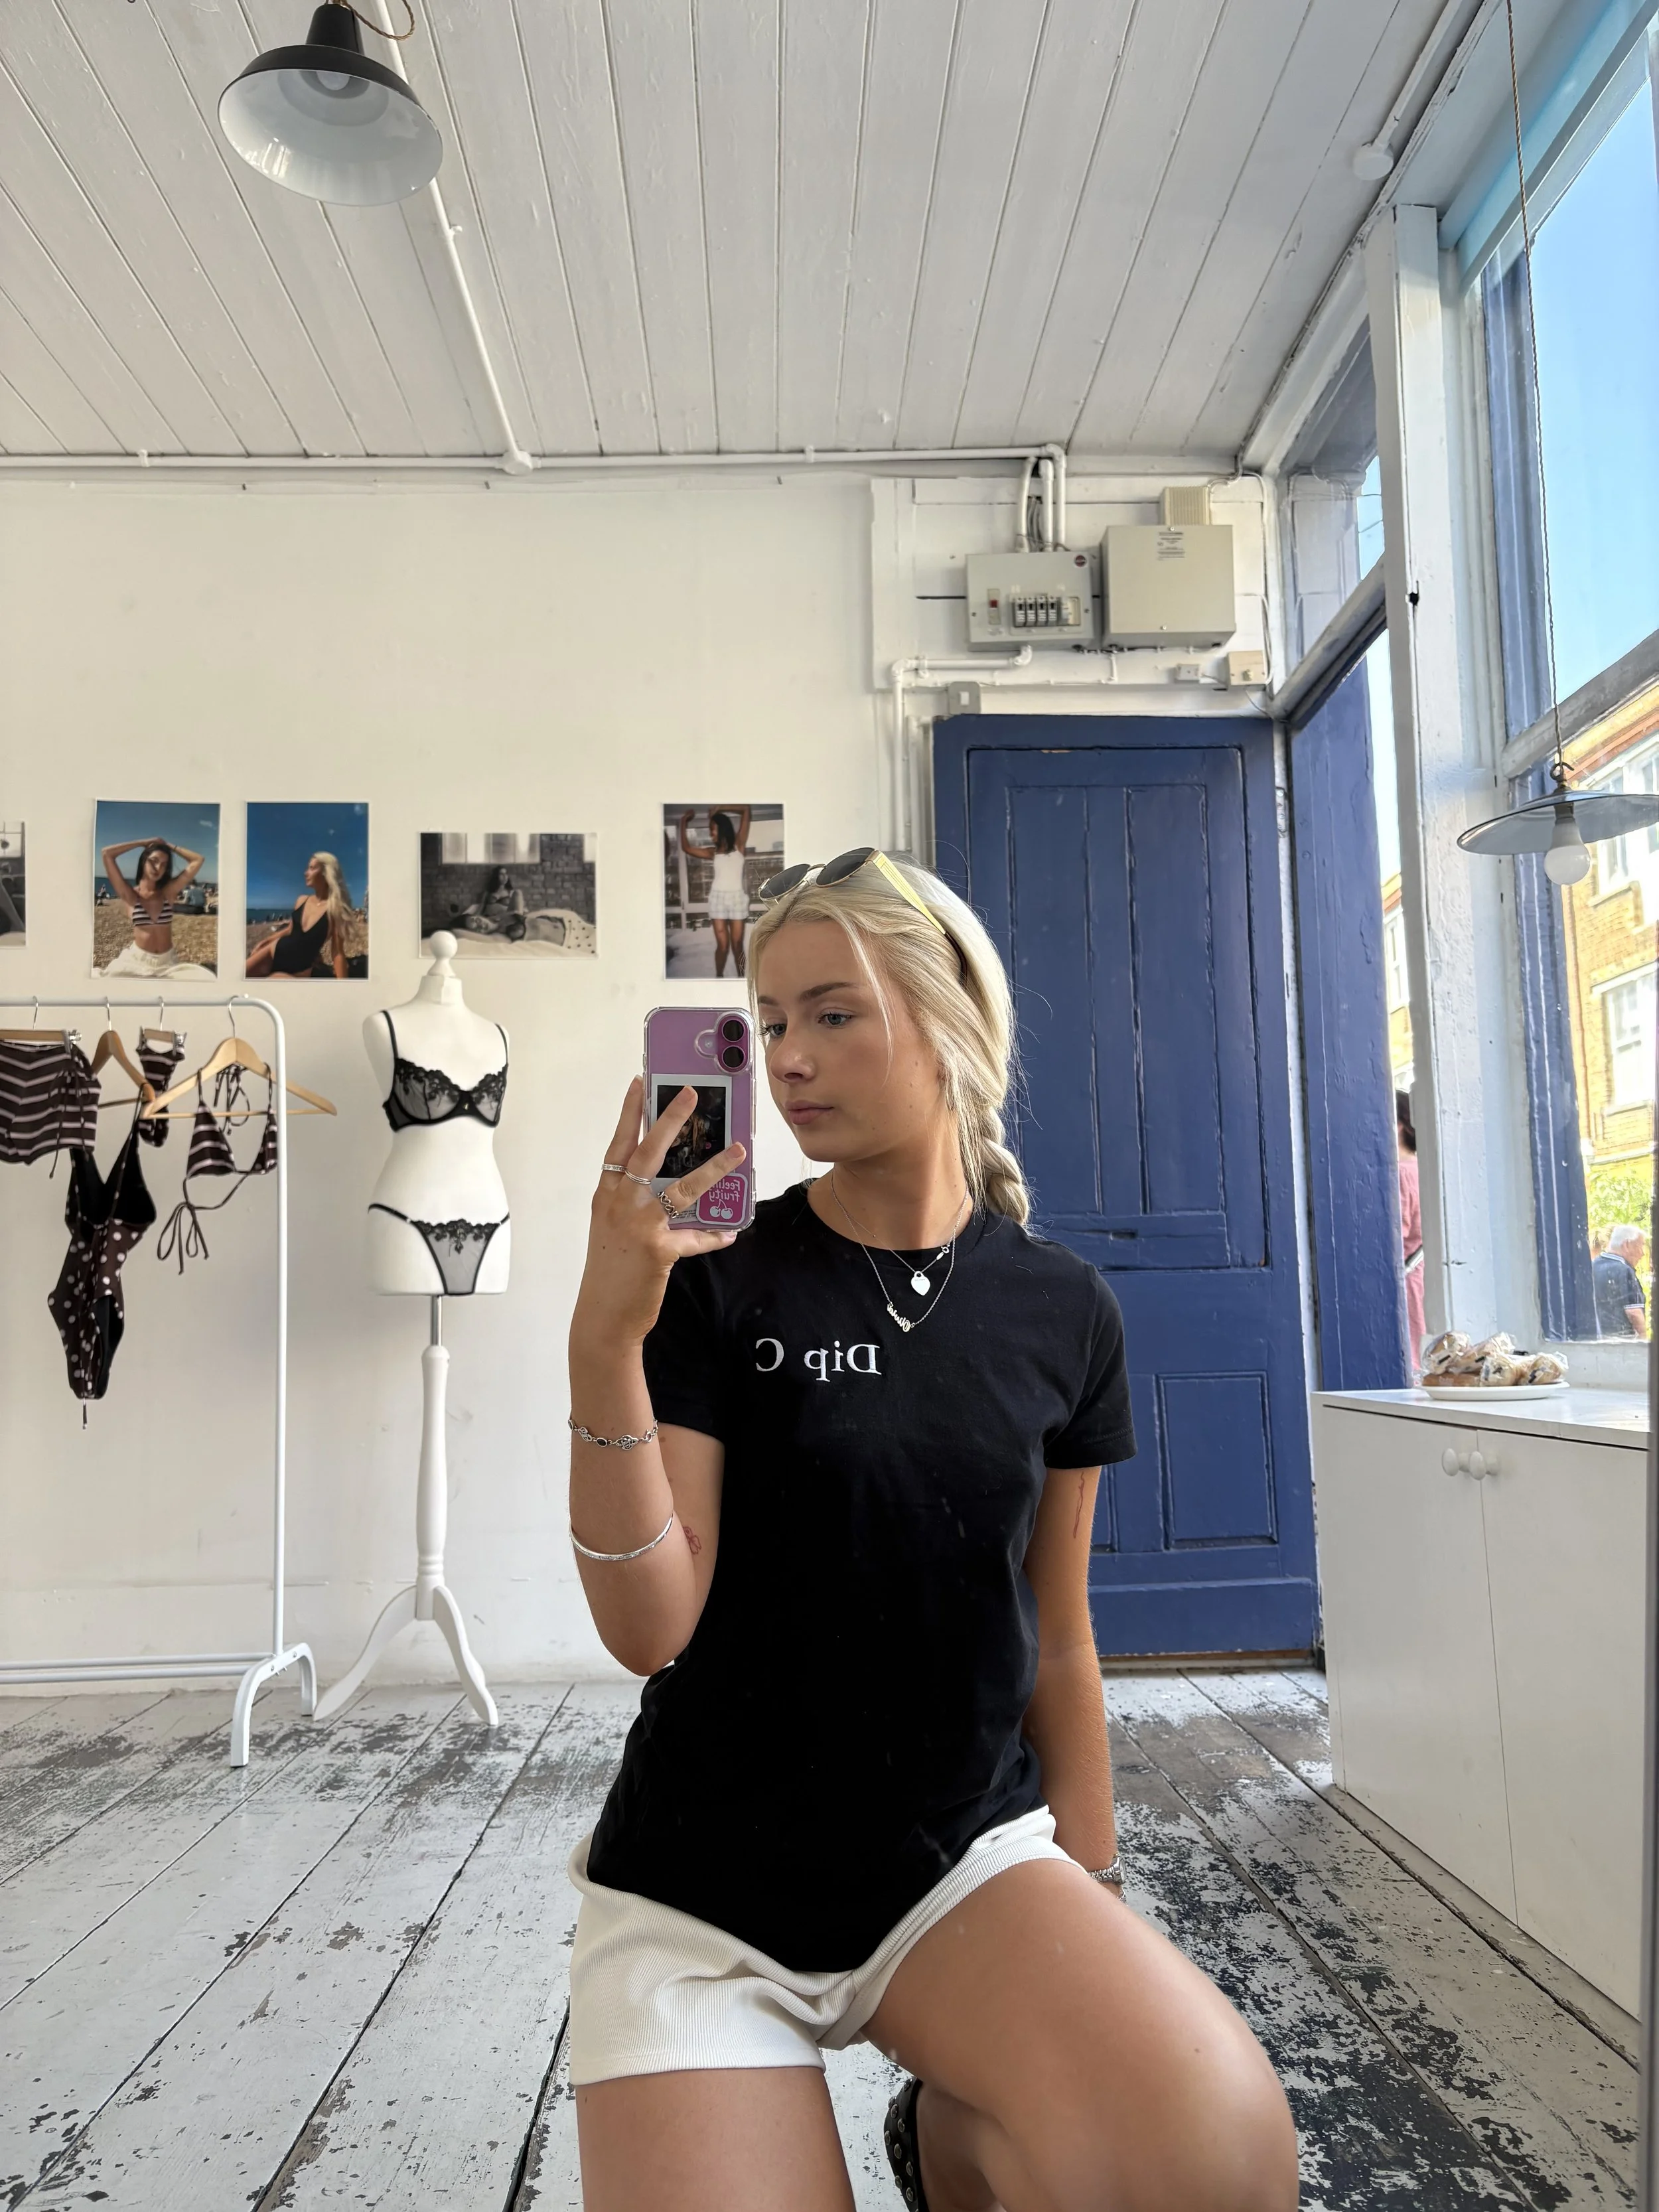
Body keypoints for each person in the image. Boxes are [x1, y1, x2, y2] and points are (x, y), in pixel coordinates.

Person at [564, 849, 1299, 2212]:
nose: (786, 1058)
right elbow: (646, 1626)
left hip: (955, 1860)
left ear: (951, 1010)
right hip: (701, 1895)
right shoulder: (717, 1282)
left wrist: (1089, 1892)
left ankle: (952, 2138)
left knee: (1214, 2160)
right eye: (768, 1020)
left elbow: (1057, 1639)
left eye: (831, 1012)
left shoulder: (1063, 1310)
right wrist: (603, 1336)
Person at [98, 836, 213, 977]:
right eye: (154, 861)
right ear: (144, 861)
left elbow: (198, 860)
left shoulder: (168, 892)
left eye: (164, 864)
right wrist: (142, 843)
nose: (158, 868)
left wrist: (169, 846)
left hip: (167, 963)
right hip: (137, 961)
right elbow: (107, 853)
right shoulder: (130, 895)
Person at [246, 852, 352, 980]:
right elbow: (290, 930)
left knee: (265, 990)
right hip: (273, 952)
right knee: (238, 978)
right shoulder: (302, 900)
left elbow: (337, 953)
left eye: (312, 868)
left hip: (299, 971)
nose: (305, 873)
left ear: (326, 873)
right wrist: (265, 942)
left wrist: (343, 989)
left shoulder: (335, 909)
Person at [679, 806, 753, 978]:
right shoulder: (713, 852)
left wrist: (721, 808)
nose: (711, 834)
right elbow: (687, 848)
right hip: (717, 899)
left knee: (737, 945)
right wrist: (683, 822)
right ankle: (719, 977)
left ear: (722, 828)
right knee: (723, 946)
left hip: (737, 899)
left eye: (712, 829)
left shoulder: (739, 845)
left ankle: (742, 980)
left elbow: (746, 810)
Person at [1396, 1091, 1425, 1372]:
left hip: (1405, 1280)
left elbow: (1395, 1235)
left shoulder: (1400, 1174)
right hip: (1419, 1276)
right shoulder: (1421, 1168)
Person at [1593, 1223, 1648, 1339]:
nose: (1643, 1254)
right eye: (1640, 1246)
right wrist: (1643, 1338)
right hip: (1622, 1342)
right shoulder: (1625, 1270)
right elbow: (1634, 1312)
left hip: (1596, 1339)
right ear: (1627, 1245)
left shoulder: (1592, 1266)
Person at [455, 865, 528, 939]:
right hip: (491, 919)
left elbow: (518, 907)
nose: (505, 876)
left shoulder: (510, 892)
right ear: (496, 876)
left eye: (506, 874)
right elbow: (480, 909)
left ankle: (520, 921)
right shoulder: (488, 893)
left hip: (507, 916)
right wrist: (474, 919)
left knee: (518, 893)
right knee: (515, 913)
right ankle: (519, 923)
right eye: (501, 874)